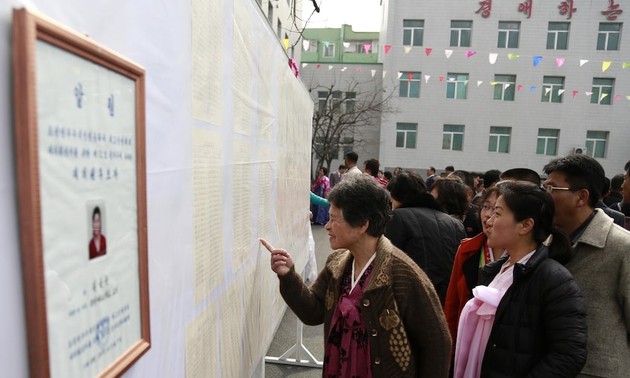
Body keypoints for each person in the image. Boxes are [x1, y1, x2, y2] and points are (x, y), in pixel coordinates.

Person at [261, 175, 451, 377]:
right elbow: (312, 312)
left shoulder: (403, 274)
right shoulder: (337, 263)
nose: (326, 225)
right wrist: (288, 275)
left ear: (362, 224)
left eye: (334, 219)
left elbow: (438, 344)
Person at [454, 181, 587, 377]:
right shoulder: (496, 270)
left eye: (498, 213)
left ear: (525, 225)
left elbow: (569, 354)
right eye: (489, 210)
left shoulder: (554, 280)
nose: (489, 220)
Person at [543, 154, 630, 376]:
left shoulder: (621, 246)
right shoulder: (543, 241)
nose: (543, 196)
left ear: (581, 197)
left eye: (552, 189)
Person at [384, 171, 466, 304]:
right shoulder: (456, 224)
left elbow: (389, 263)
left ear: (396, 197)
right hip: (450, 301)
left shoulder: (399, 217)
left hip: (416, 300)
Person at [444, 187, 503, 344]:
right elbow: (452, 302)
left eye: (497, 210)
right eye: (486, 206)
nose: (488, 215)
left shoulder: (521, 255)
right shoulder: (467, 249)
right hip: (466, 338)